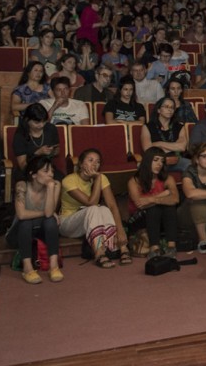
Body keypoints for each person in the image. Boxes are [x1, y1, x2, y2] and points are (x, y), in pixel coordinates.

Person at [59, 148, 130, 267]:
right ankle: (99, 252)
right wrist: (97, 179)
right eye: (90, 160)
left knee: (104, 209)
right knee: (94, 208)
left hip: (90, 221)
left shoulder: (101, 178)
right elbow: (91, 202)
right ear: (81, 164)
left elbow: (112, 205)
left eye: (97, 162)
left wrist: (121, 230)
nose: (94, 164)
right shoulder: (69, 180)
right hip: (68, 223)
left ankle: (120, 247)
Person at [7, 156, 64, 284]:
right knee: (26, 222)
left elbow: (49, 214)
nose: (50, 174)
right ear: (33, 174)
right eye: (45, 171)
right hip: (19, 232)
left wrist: (50, 189)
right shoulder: (21, 186)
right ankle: (27, 268)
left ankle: (53, 266)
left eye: (52, 171)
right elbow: (21, 214)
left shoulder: (55, 185)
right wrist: (44, 213)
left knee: (50, 221)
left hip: (40, 230)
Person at [126, 147, 181, 259]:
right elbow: (140, 204)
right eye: (155, 160)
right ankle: (154, 248)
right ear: (147, 161)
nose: (159, 164)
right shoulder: (134, 181)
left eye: (162, 161)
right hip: (139, 219)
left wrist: (152, 199)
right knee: (156, 208)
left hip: (162, 218)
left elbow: (175, 199)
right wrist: (163, 194)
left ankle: (171, 247)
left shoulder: (167, 178)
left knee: (168, 207)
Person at [12, 103, 62, 177]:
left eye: (44, 121)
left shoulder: (51, 128)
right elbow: (23, 165)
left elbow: (57, 150)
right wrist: (37, 153)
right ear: (27, 120)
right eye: (37, 122)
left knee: (59, 181)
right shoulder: (20, 134)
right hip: (29, 171)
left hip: (48, 168)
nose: (41, 125)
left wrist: (53, 151)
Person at [142, 96, 190, 171]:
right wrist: (172, 147)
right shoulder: (148, 127)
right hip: (156, 161)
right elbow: (148, 149)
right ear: (158, 110)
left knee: (190, 164)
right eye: (166, 106)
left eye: (172, 107)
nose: (170, 110)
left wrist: (158, 144)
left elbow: (182, 147)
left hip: (176, 160)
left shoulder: (179, 126)